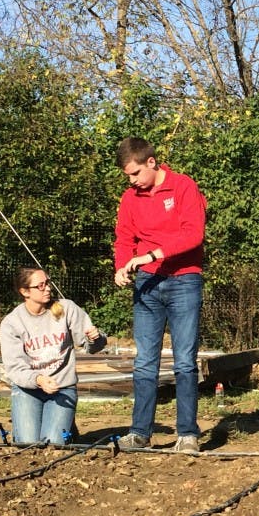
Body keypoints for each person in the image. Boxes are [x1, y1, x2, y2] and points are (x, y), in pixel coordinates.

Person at [113, 137, 207, 453]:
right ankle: (140, 433)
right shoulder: (130, 198)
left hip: (184, 281)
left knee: (184, 361)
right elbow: (124, 238)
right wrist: (121, 266)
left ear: (151, 162)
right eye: (128, 176)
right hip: (147, 284)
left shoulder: (183, 187)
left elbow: (193, 234)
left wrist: (151, 255)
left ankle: (187, 434)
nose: (132, 181)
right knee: (145, 362)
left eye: (136, 173)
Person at [0, 268, 107, 444]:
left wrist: (95, 338)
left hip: (62, 388)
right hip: (28, 389)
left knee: (53, 443)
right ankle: (62, 422)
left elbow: (92, 347)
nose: (47, 288)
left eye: (48, 283)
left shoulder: (66, 309)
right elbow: (15, 368)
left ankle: (65, 425)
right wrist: (39, 379)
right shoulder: (12, 323)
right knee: (27, 444)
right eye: (40, 286)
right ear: (25, 292)